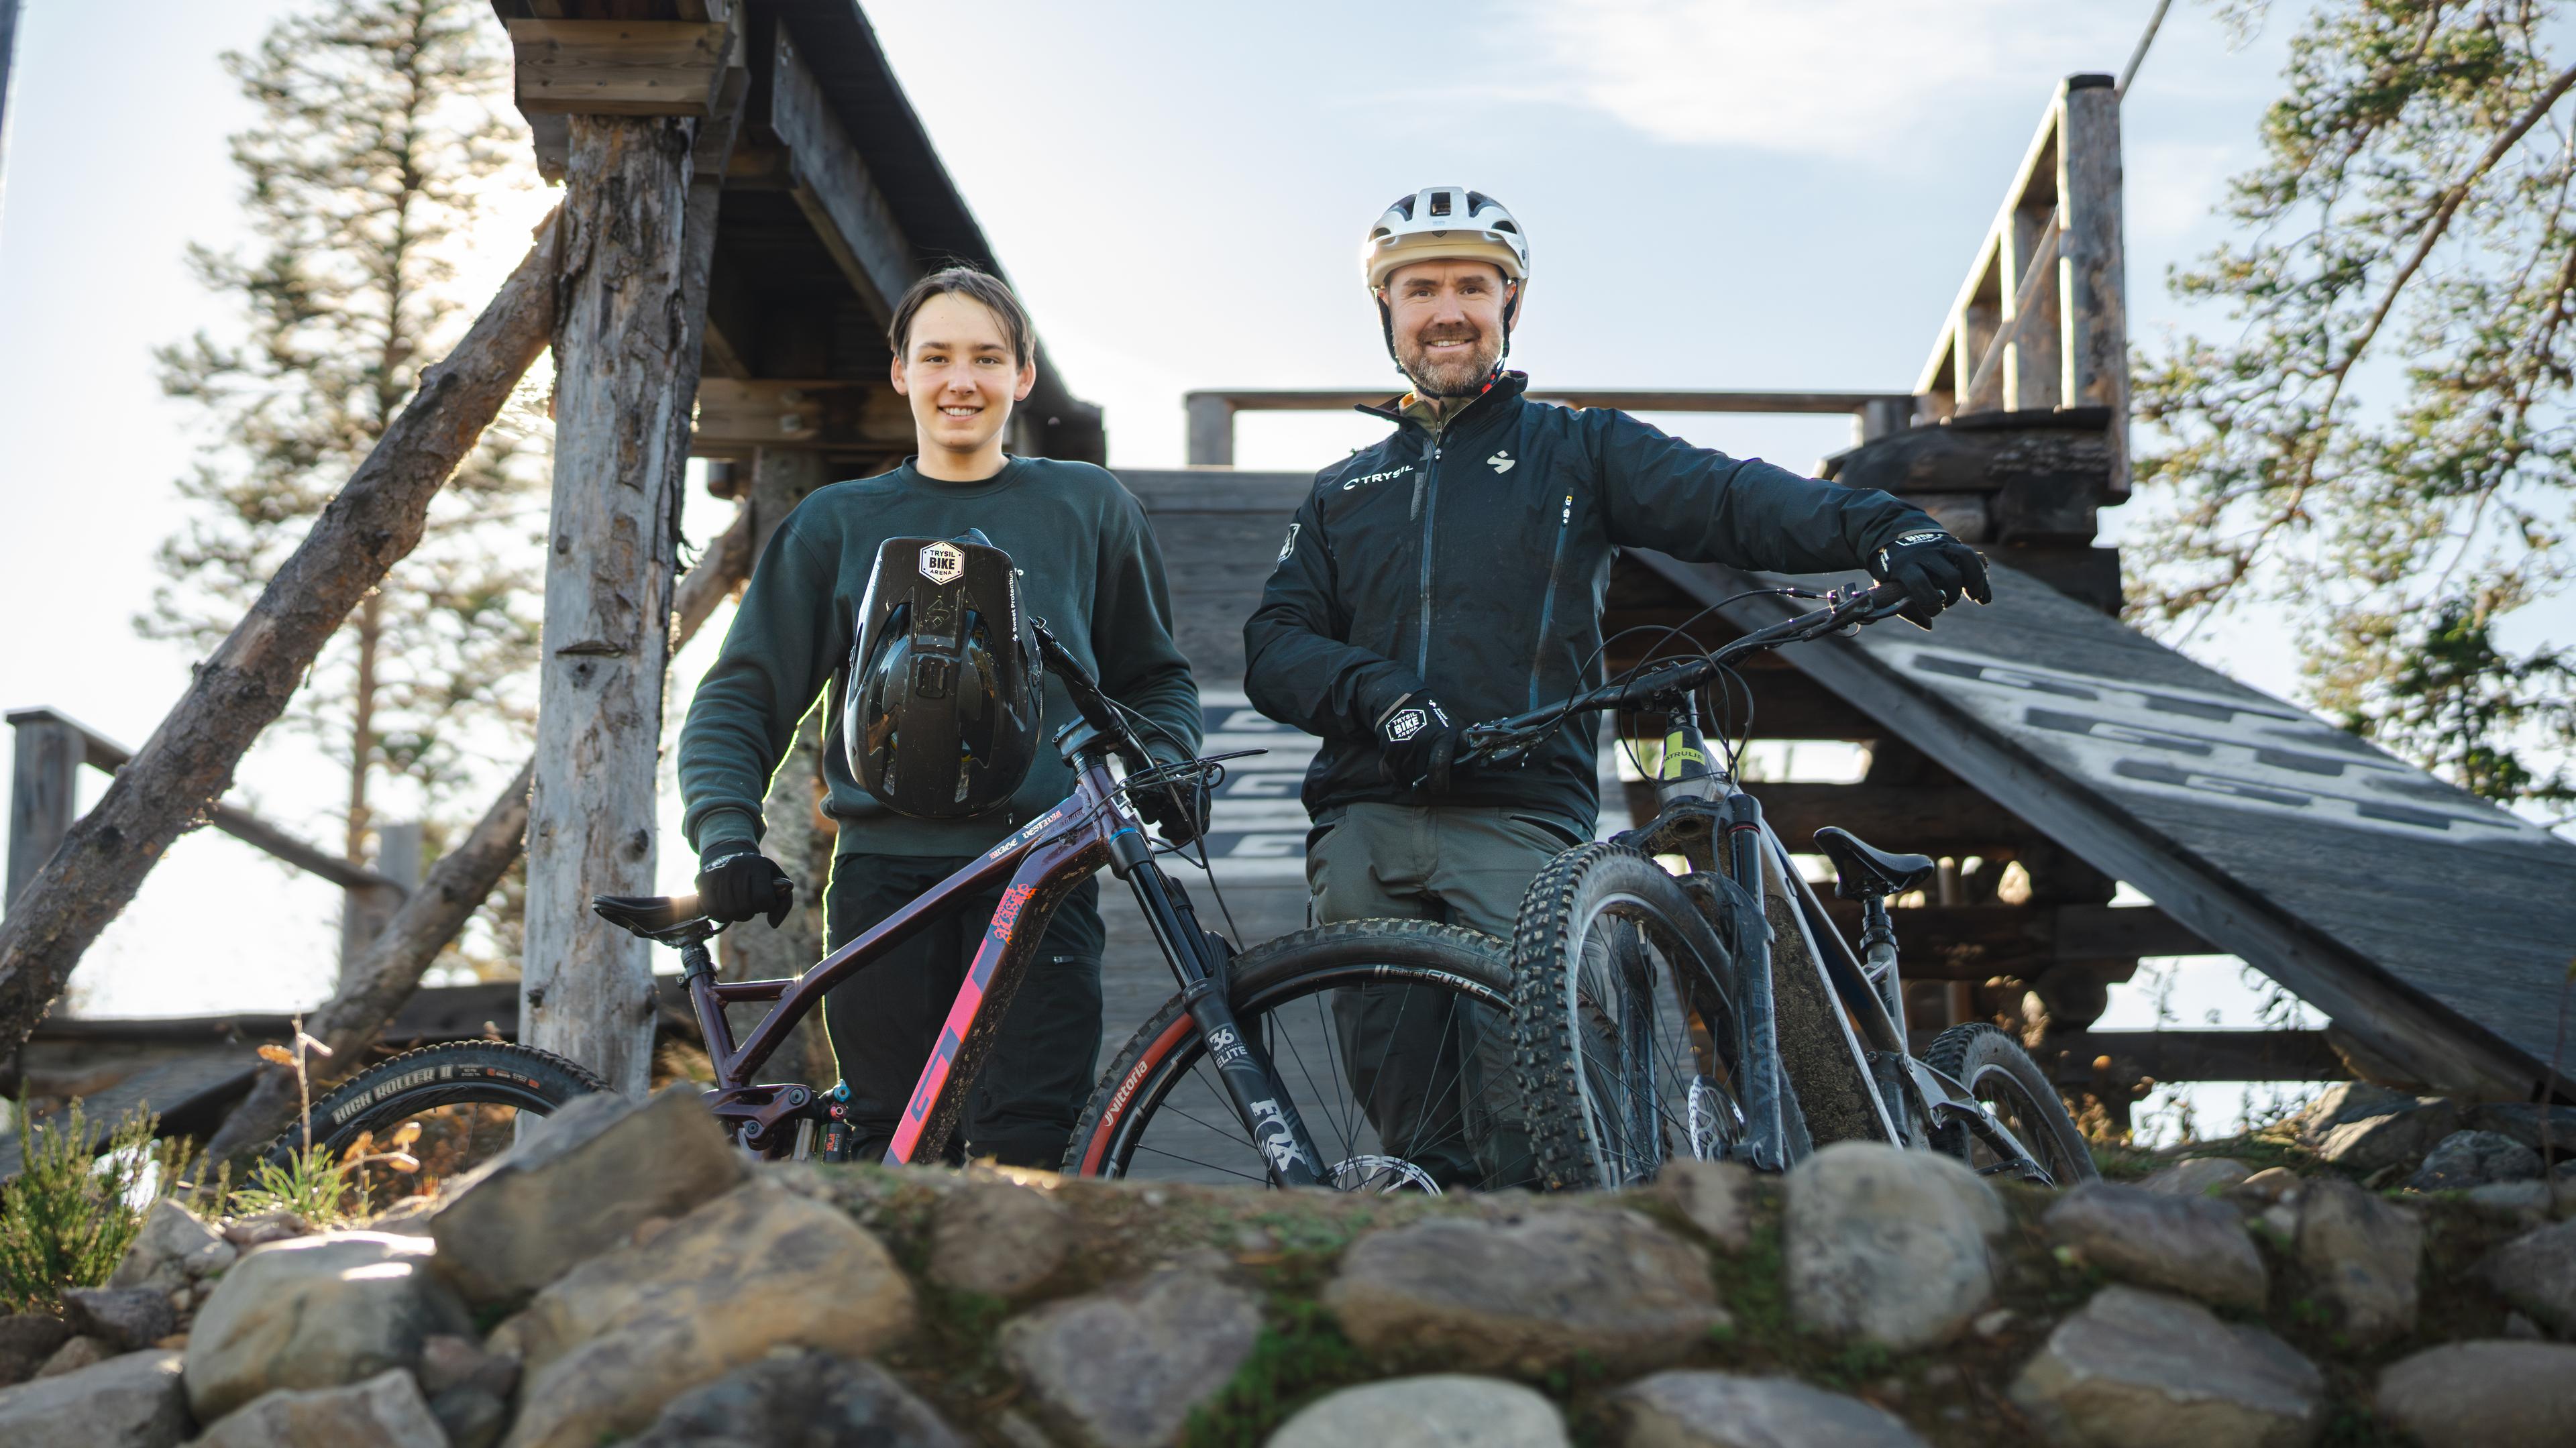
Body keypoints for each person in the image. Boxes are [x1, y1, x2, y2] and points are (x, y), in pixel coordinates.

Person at [1242, 186, 1988, 1184]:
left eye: (1475, 285)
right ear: (1388, 312)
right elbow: (1275, 642)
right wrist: (1382, 696)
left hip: (1518, 824)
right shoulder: (1342, 491)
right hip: (1366, 828)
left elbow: (1728, 496)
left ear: (1511, 305)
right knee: (1406, 1134)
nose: (1448, 310)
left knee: (1540, 1123)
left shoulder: (1576, 449)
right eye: (1420, 289)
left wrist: (1879, 525)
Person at [677, 266, 1200, 1168]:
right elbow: (744, 695)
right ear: (902, 374)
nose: (962, 380)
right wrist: (726, 835)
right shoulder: (836, 522)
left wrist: (1162, 764)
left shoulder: (1087, 507)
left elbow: (1152, 680)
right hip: (887, 883)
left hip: (1043, 878)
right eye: (938, 357)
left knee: (1029, 1149)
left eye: (987, 358)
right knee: (891, 1147)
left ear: (1023, 376)